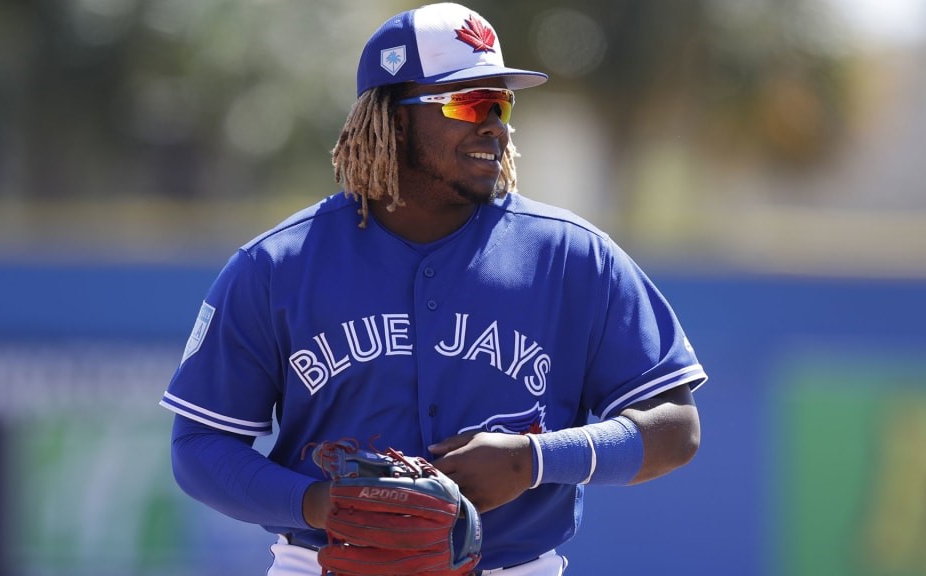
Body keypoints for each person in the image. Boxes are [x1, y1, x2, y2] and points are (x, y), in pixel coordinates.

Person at [160, 3, 709, 575]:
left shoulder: (571, 256)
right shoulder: (276, 265)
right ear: (391, 119)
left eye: (501, 103)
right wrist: (321, 504)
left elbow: (674, 427)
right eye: (468, 102)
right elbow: (198, 446)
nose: (493, 124)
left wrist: (534, 459)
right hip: (324, 565)